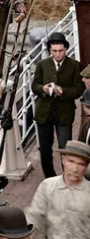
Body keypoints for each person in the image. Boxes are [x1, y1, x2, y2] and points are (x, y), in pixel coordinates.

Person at [35, 33, 85, 179]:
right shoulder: (42, 65)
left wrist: (62, 91)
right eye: (54, 51)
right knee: (45, 148)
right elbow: (34, 86)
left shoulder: (75, 66)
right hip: (44, 113)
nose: (57, 54)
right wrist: (43, 89)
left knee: (65, 147)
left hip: (64, 113)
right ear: (50, 50)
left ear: (66, 50)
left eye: (60, 51)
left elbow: (78, 89)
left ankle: (67, 177)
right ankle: (50, 177)